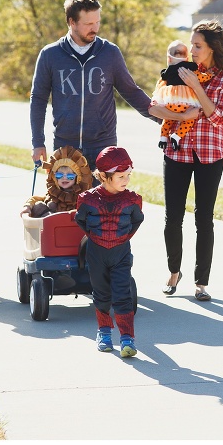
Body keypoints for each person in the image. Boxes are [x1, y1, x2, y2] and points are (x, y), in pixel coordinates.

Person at [147, 20, 223, 302]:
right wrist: (181, 115)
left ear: (212, 48)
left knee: (204, 218)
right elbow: (155, 106)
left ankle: (201, 282)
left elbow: (217, 116)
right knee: (172, 216)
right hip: (177, 150)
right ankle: (174, 272)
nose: (192, 50)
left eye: (198, 46)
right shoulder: (181, 69)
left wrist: (195, 88)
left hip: (210, 153)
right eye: (192, 45)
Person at [29, 0, 157, 176]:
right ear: (72, 22)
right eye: (88, 24)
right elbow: (38, 99)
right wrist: (38, 142)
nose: (95, 28)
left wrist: (165, 119)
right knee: (65, 204)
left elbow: (131, 92)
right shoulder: (50, 55)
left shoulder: (110, 53)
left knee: (102, 205)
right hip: (66, 148)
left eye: (97, 22)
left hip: (103, 147)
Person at [75, 146, 144, 358]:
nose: (126, 180)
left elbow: (136, 221)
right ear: (104, 176)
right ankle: (104, 332)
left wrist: (120, 239)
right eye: (121, 176)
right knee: (102, 294)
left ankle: (127, 339)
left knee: (123, 294)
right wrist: (98, 237)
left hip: (121, 253)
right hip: (96, 253)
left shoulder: (132, 200)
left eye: (128, 175)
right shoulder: (86, 199)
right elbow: (82, 221)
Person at [151, 40, 212, 151]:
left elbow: (160, 85)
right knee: (189, 120)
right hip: (185, 102)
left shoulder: (167, 72)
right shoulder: (189, 68)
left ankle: (163, 138)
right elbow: (200, 77)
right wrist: (208, 76)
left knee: (168, 119)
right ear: (187, 58)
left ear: (169, 59)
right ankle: (177, 136)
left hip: (170, 102)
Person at [20, 145, 92, 217]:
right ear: (54, 177)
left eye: (70, 176)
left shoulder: (82, 195)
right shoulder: (54, 193)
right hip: (53, 226)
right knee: (39, 206)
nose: (64, 178)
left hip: (73, 226)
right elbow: (36, 199)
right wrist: (27, 207)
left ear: (77, 177)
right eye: (59, 175)